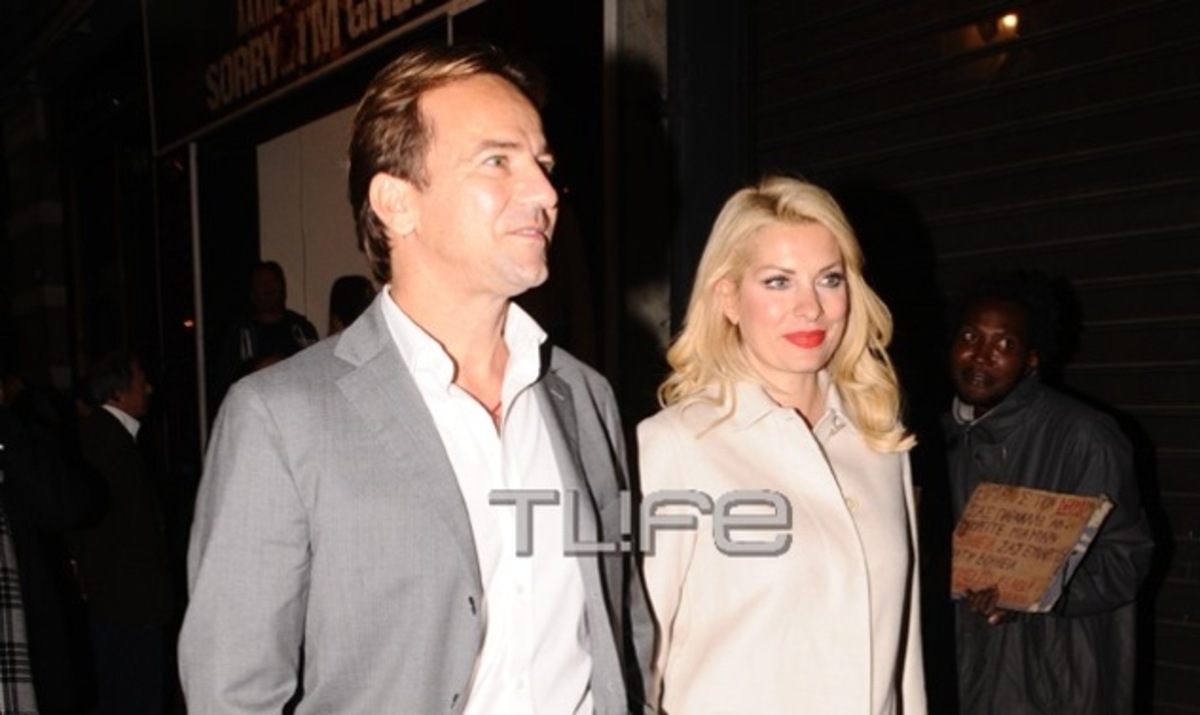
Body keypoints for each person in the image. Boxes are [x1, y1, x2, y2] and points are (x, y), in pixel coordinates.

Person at [179, 43, 652, 714]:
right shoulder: (280, 417)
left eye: (543, 164)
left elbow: (623, 625)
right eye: (498, 161)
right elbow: (232, 692)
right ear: (397, 202)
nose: (546, 194)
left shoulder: (584, 396)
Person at [638, 176, 926, 714]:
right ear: (728, 297)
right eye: (778, 282)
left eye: (829, 279)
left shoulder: (879, 440)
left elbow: (904, 656)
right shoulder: (675, 446)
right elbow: (638, 660)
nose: (810, 308)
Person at [943, 271, 1154, 714]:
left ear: (1031, 359)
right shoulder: (933, 438)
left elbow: (1126, 558)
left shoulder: (1085, 437)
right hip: (964, 670)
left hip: (1051, 679)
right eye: (970, 336)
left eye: (1005, 344)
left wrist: (1036, 594)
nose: (981, 355)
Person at [72, 352, 172, 715]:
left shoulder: (105, 437)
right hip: (128, 604)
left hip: (120, 600)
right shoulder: (108, 443)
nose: (149, 388)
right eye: (140, 382)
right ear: (118, 393)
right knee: (133, 696)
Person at [217, 261, 319, 394]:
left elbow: (317, 371)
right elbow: (226, 382)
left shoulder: (301, 328)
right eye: (262, 282)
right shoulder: (239, 334)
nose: (269, 287)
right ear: (252, 293)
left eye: (273, 281)